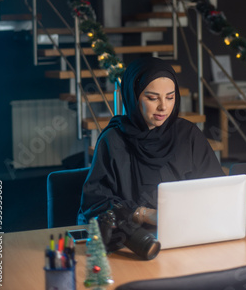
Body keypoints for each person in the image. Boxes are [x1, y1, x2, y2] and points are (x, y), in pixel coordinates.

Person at [78, 56, 225, 226]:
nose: (163, 107)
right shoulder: (113, 140)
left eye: (170, 97)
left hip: (186, 229)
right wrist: (144, 214)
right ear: (133, 97)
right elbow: (96, 204)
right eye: (153, 98)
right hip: (133, 237)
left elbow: (216, 188)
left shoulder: (188, 134)